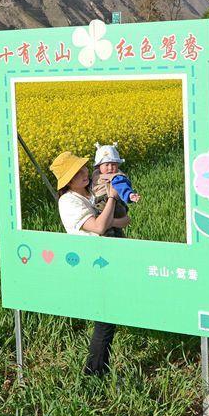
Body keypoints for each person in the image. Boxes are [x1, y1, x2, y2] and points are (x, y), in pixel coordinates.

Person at [50, 150, 130, 377]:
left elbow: (125, 220)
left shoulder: (92, 192)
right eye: (77, 173)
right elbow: (98, 227)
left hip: (109, 258)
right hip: (92, 264)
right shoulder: (69, 201)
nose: (85, 173)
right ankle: (94, 371)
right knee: (105, 317)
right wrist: (112, 199)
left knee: (110, 315)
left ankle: (97, 369)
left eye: (84, 168)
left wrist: (109, 219)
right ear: (68, 181)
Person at [90, 143, 141, 238]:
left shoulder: (116, 177)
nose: (110, 168)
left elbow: (123, 186)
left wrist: (130, 195)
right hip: (101, 202)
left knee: (107, 228)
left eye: (113, 164)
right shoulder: (96, 174)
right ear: (98, 166)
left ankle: (110, 238)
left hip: (109, 203)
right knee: (113, 228)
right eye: (106, 165)